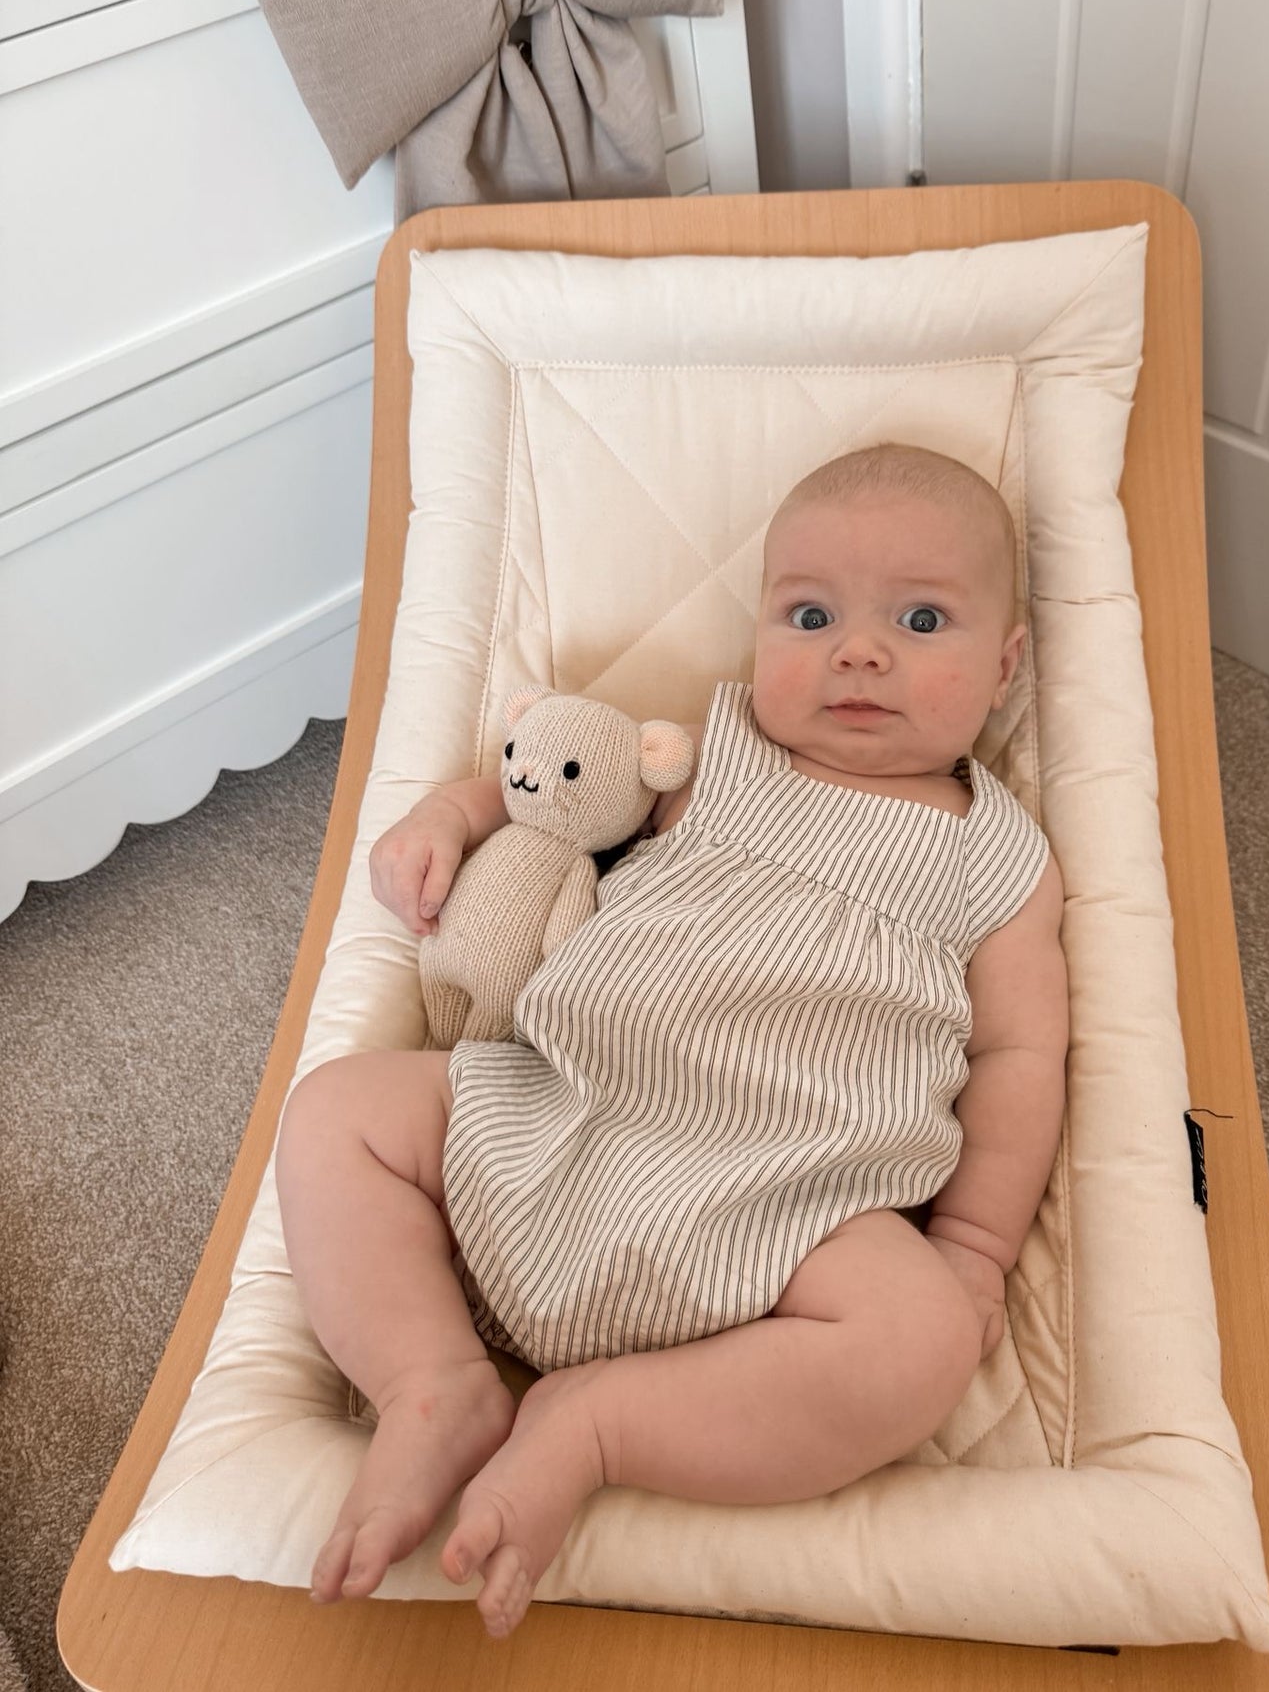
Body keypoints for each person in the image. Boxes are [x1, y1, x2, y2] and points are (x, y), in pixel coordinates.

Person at [276, 441, 1069, 1640]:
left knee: (917, 1341)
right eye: (810, 613)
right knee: (339, 1107)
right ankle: (428, 1379)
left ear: (1004, 666)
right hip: (562, 1109)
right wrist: (451, 811)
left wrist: (968, 1246)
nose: (858, 650)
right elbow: (557, 777)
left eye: (919, 618)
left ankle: (595, 1422)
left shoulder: (998, 856)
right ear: (758, 631)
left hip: (787, 1203)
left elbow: (1020, 1060)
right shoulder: (716, 752)